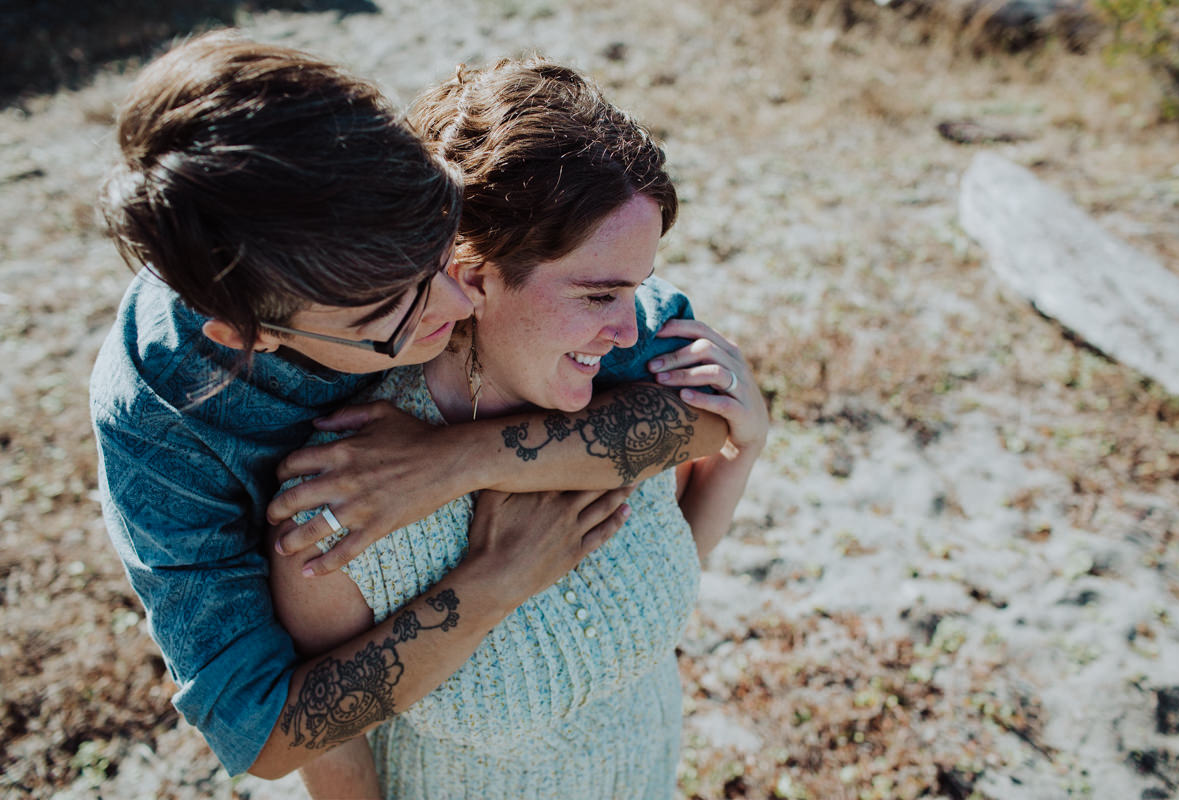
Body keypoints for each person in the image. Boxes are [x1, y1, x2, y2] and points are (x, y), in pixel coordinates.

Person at [90, 31, 732, 780]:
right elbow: (263, 728)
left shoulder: (378, 193)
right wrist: (492, 582)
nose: (458, 297)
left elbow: (701, 409)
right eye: (392, 310)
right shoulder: (164, 423)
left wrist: (453, 461)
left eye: (439, 247)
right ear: (252, 336)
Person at [269, 57, 769, 799]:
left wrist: (741, 450)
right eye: (600, 294)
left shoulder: (619, 399)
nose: (631, 330)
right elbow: (334, 748)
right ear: (472, 279)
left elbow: (651, 593)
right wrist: (496, 583)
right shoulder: (343, 499)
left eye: (637, 288)